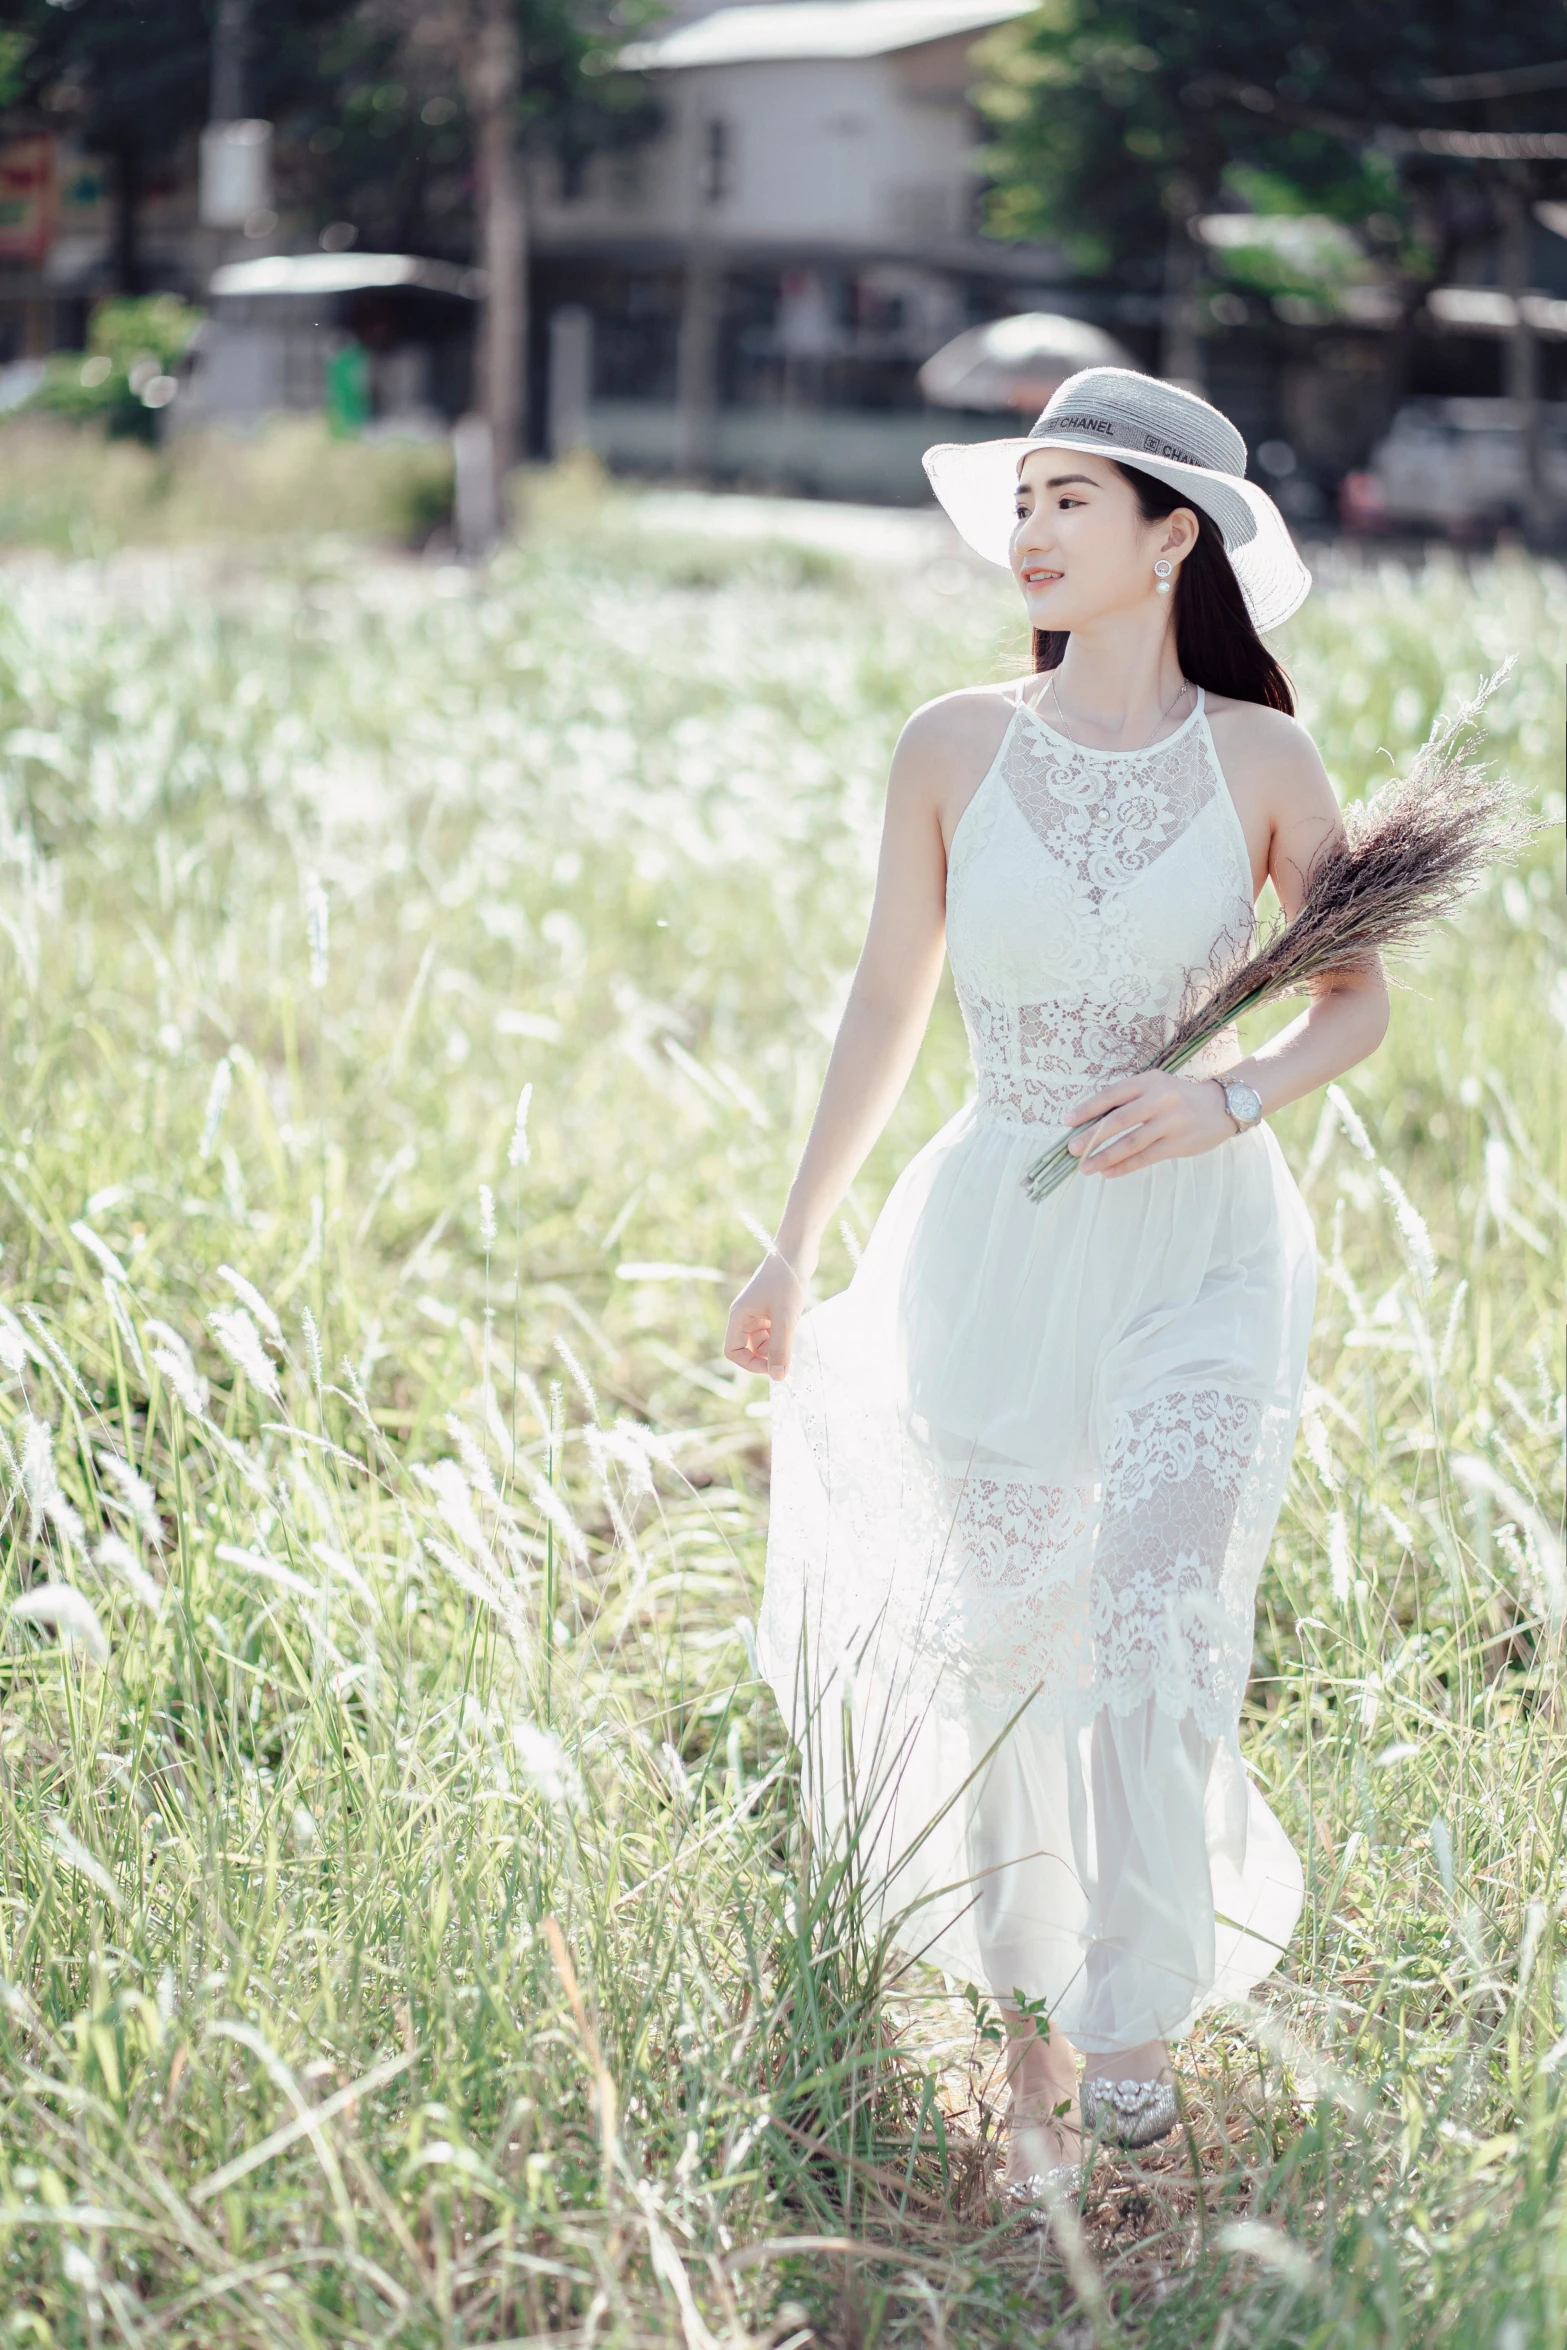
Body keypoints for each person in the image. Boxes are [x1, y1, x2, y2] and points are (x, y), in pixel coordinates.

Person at [722, 369, 1389, 2197]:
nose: (1025, 530)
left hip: (1201, 1245)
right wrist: (793, 1232)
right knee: (1012, 1654)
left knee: (1156, 1620)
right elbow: (884, 999)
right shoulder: (950, 742)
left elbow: (1357, 995)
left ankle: (1134, 2020)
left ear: (1171, 534)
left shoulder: (1262, 763)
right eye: (1017, 499)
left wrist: (1218, 1093)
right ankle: (1024, 2024)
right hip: (995, 1241)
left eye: (1067, 498)